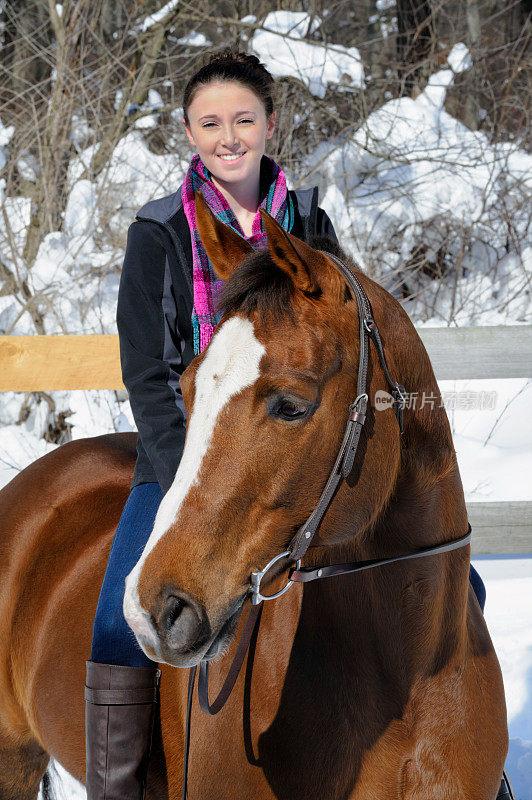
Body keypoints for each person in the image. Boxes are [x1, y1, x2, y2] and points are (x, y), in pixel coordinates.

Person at [83, 47, 487, 799]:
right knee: (117, 625)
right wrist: (193, 480)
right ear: (188, 130)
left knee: (462, 593)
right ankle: (123, 786)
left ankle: (465, 754)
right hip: (190, 458)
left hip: (289, 450)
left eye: (243, 118)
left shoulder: (309, 223)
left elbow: (339, 340)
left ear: (270, 124)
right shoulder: (159, 232)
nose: (228, 135)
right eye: (210, 122)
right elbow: (147, 373)